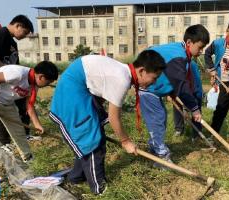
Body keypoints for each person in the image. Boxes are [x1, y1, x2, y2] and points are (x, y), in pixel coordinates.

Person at [49, 51, 166, 195]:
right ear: (141, 71)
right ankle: (100, 190)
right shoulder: (122, 78)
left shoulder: (123, 72)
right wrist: (126, 141)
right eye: (154, 78)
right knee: (91, 142)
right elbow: (113, 117)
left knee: (95, 134)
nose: (154, 82)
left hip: (80, 90)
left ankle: (76, 177)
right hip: (71, 93)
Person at [139, 24, 209, 167]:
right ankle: (161, 156)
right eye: (200, 47)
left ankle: (154, 148)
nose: (201, 52)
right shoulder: (179, 55)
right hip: (147, 86)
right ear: (189, 42)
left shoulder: (179, 51)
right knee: (158, 119)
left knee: (160, 118)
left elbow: (170, 75)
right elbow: (181, 86)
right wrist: (194, 108)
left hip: (153, 87)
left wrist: (171, 92)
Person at [0, 61, 58, 178]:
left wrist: (37, 125)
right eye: (48, 82)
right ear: (41, 77)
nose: (48, 84)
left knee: (18, 132)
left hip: (6, 103)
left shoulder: (33, 86)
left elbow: (30, 107)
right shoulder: (17, 73)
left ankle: (28, 157)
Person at [0, 15, 37, 152]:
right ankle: (3, 143)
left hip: (6, 84)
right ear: (18, 25)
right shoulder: (0, 33)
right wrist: (3, 68)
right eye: (25, 32)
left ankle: (24, 136)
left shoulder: (13, 43)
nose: (25, 36)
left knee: (20, 105)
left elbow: (15, 65)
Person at [173, 61, 203, 136]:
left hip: (193, 91)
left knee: (196, 110)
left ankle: (197, 133)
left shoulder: (192, 65)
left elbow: (196, 84)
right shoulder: (174, 64)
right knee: (177, 107)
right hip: (179, 90)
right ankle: (179, 129)